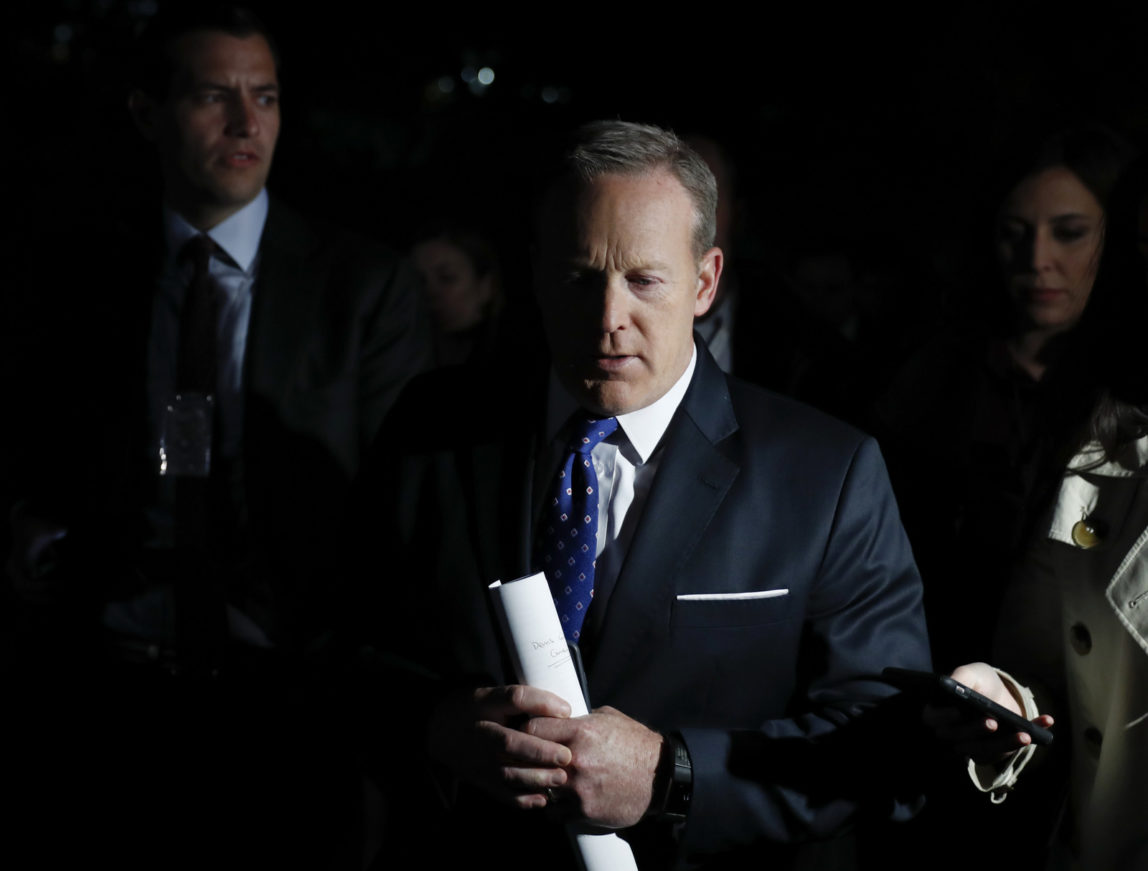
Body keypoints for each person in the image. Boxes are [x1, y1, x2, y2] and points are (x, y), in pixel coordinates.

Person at [360, 121, 931, 869]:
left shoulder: (826, 474)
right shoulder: (433, 427)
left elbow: (887, 745)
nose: (607, 319)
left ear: (705, 281)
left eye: (644, 280)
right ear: (534, 273)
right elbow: (343, 655)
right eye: (578, 276)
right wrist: (437, 725)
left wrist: (673, 777)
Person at [7, 5, 428, 868]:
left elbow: (404, 505)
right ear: (146, 114)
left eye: (265, 96)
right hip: (109, 682)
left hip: (291, 695)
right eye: (213, 96)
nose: (247, 123)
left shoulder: (361, 286)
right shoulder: (82, 276)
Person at [935, 158, 1148, 871]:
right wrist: (1005, 700)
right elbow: (1047, 670)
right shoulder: (1104, 452)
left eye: (1070, 232)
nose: (1038, 261)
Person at [872, 125, 1136, 671]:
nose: (1037, 257)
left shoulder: (1128, 390)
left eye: (1069, 232)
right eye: (1015, 232)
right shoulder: (930, 377)